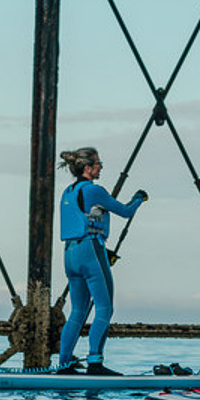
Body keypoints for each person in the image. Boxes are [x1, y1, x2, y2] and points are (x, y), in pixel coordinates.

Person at [56, 147, 148, 376]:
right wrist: (139, 198)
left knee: (77, 311)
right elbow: (125, 212)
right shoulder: (93, 190)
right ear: (87, 168)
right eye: (98, 163)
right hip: (90, 250)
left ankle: (64, 365)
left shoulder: (68, 191)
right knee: (105, 308)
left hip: (70, 254)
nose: (101, 167)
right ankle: (95, 364)